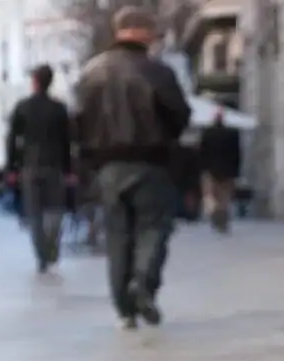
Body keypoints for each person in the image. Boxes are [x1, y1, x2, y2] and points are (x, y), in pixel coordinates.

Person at [74, 7, 191, 329]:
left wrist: (88, 160)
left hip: (108, 166)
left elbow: (79, 121)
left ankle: (124, 309)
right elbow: (180, 115)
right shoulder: (158, 72)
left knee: (117, 235)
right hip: (152, 162)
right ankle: (143, 281)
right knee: (153, 227)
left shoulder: (91, 72)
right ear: (144, 32)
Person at [6, 64, 72, 273]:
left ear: (34, 81)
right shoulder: (59, 109)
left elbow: (12, 139)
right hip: (54, 165)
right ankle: (52, 246)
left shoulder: (22, 107)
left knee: (34, 213)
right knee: (55, 210)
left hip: (30, 165)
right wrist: (69, 169)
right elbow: (67, 141)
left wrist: (12, 168)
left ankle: (42, 254)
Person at [198, 110, 241, 232]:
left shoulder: (207, 133)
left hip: (210, 170)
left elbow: (202, 153)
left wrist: (201, 168)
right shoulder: (232, 134)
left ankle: (216, 215)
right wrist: (236, 171)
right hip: (228, 171)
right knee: (224, 198)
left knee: (211, 195)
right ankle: (222, 219)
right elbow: (236, 154)